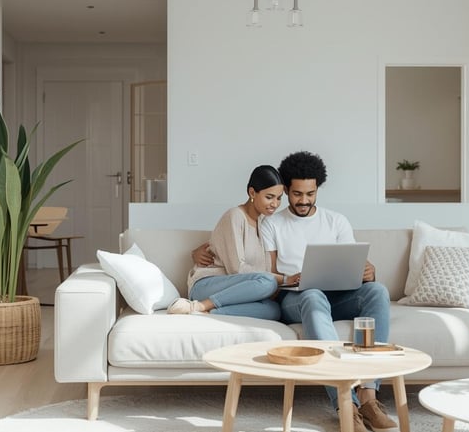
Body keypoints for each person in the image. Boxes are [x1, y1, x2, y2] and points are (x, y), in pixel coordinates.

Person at [259, 151, 396, 432]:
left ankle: (369, 397)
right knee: (313, 294)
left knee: (377, 291)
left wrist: (367, 272)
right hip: (296, 298)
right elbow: (268, 277)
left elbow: (353, 263)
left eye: (310, 194)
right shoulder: (272, 223)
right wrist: (291, 279)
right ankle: (346, 403)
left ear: (318, 189)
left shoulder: (336, 221)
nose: (304, 200)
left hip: (336, 296)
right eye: (297, 194)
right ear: (286, 191)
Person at [168, 165, 292, 319]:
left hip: (236, 291)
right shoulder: (235, 216)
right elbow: (237, 269)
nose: (275, 204)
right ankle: (200, 305)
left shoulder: (265, 223)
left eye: (279, 198)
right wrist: (283, 279)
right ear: (252, 192)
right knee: (269, 282)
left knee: (273, 310)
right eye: (269, 197)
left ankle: (207, 311)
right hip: (206, 285)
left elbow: (262, 270)